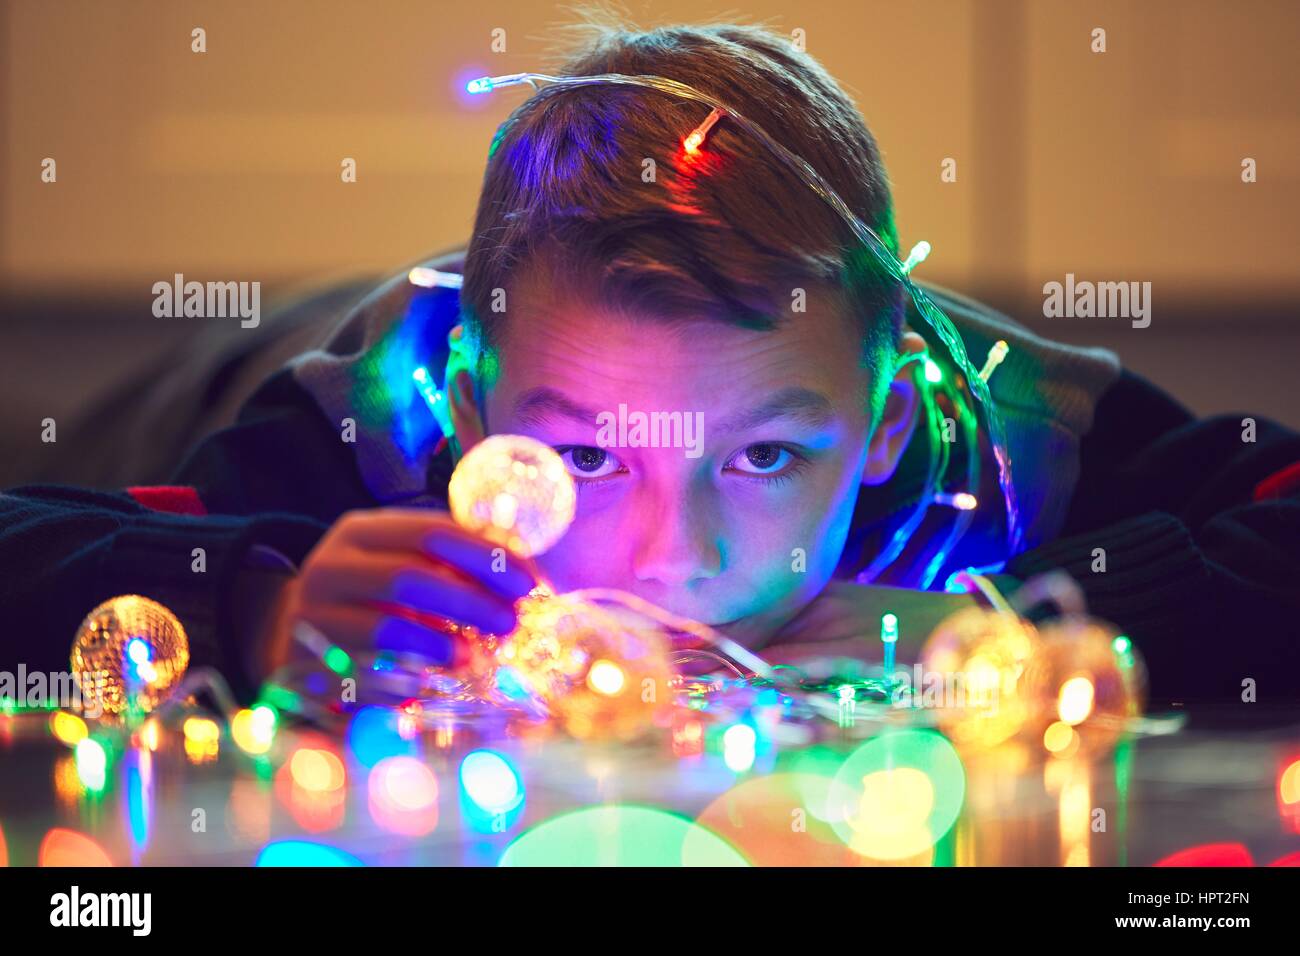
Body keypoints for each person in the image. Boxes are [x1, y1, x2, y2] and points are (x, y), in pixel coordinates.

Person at [3, 21, 1298, 716]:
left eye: (766, 456)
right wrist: (254, 607)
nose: (672, 558)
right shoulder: (351, 436)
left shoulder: (1019, 438)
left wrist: (1031, 627)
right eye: (581, 456)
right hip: (237, 358)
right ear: (470, 416)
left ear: (890, 424)